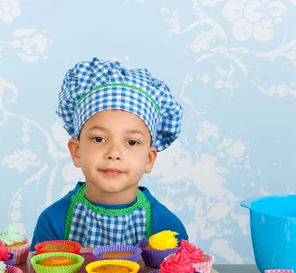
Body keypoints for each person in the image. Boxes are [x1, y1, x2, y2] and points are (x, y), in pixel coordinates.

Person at [30, 57, 188, 250]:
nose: (114, 153)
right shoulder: (54, 223)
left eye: (131, 142)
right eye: (99, 139)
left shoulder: (167, 229)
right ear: (77, 152)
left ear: (149, 159)